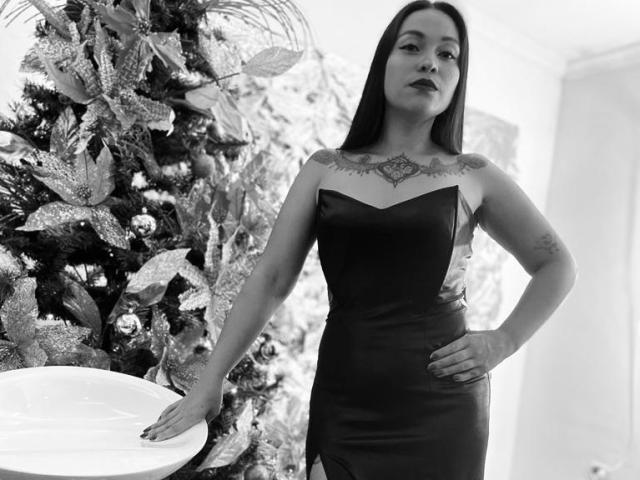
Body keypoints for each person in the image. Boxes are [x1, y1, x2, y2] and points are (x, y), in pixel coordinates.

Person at [140, 1, 578, 479]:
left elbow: (557, 265)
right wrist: (211, 380)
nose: (430, 63)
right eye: (412, 47)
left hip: (443, 408)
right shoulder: (325, 168)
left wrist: (504, 341)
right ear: (383, 63)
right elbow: (271, 278)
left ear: (458, 78)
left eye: (448, 54)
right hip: (345, 401)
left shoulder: (475, 174)